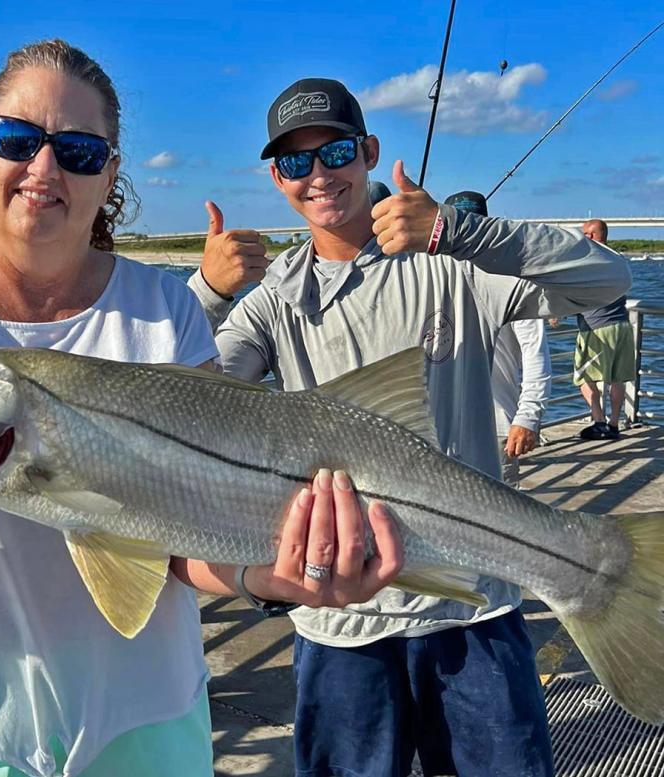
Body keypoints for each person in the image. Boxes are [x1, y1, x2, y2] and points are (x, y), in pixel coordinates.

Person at [0, 43, 403, 777]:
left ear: (109, 173)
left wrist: (270, 577)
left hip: (145, 728)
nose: (44, 169)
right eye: (19, 140)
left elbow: (178, 540)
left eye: (78, 151)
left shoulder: (163, 306)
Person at [189, 77, 630, 776]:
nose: (319, 175)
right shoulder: (274, 301)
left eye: (334, 151)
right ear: (277, 179)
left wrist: (463, 233)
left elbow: (608, 283)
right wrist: (207, 294)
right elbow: (184, 397)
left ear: (367, 152)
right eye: (296, 163)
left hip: (473, 610)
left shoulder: (454, 265)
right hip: (340, 624)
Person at [445, 191, 551, 488]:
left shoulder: (513, 279)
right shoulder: (434, 277)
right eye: (458, 227)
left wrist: (528, 417)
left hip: (497, 426)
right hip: (439, 429)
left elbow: (535, 351)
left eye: (472, 227)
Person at [572, 219, 636, 440]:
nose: (584, 237)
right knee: (618, 379)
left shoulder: (585, 261)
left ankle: (598, 421)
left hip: (596, 327)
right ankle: (614, 424)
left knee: (584, 376)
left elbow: (572, 290)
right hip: (623, 326)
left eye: (588, 234)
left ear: (595, 235)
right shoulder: (617, 259)